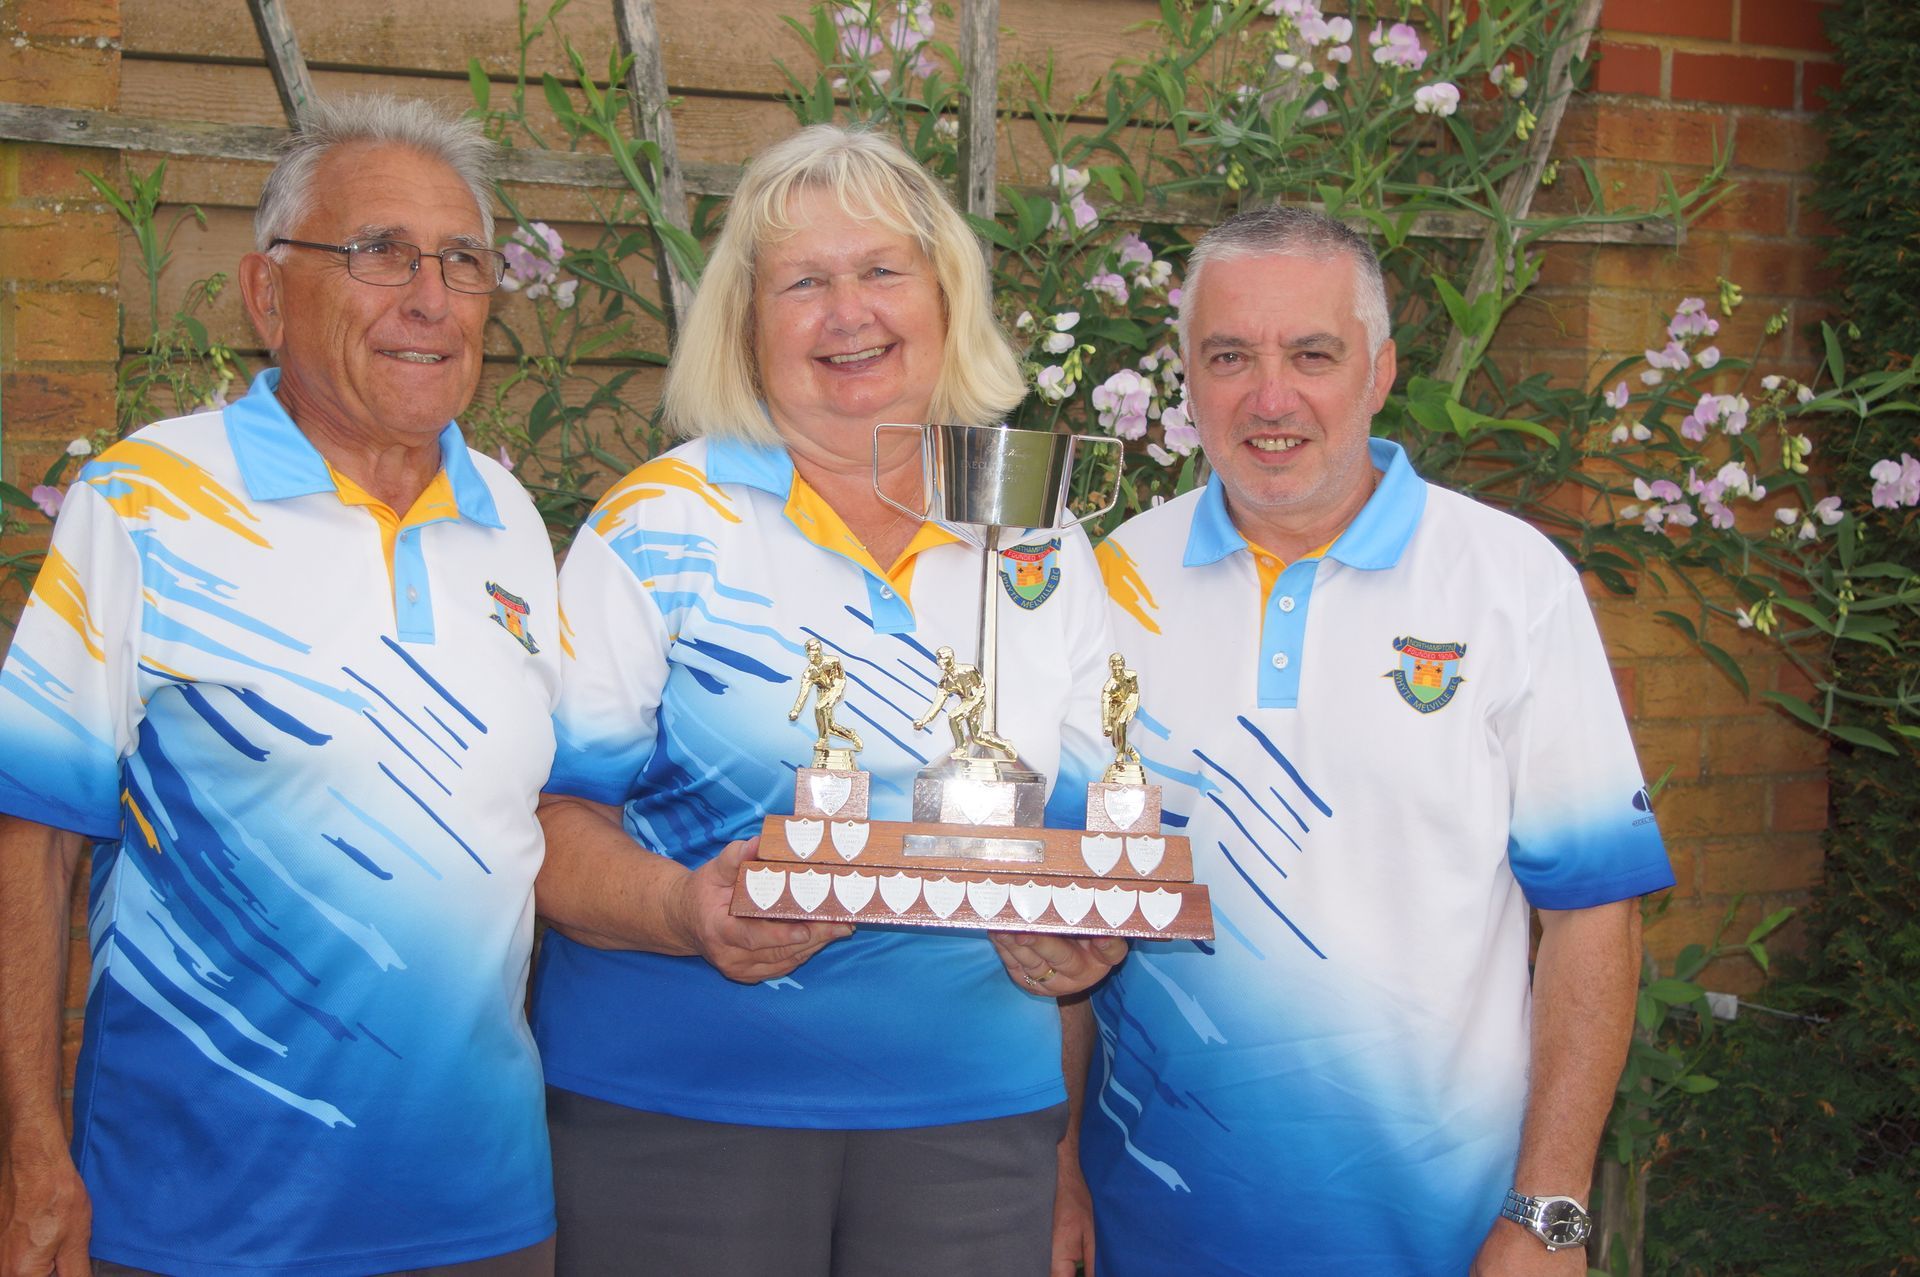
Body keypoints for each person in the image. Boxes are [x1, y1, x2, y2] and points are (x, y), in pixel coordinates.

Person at [530, 124, 1126, 1277]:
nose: (848, 312)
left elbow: (1090, 839)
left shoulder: (1040, 532)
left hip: (972, 1128)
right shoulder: (657, 524)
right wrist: (680, 905)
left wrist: (1081, 932)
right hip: (676, 1120)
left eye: (881, 271)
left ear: (947, 297)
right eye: (804, 282)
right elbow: (545, 826)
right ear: (748, 327)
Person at [0, 96, 560, 1276]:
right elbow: (31, 837)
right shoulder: (145, 499)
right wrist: (30, 1152)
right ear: (267, 294)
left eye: (462, 260)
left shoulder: (511, 521)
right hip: (198, 1223)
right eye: (378, 253)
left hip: (485, 1217)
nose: (430, 295)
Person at [1063, 205, 1677, 1276]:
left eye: (1312, 354)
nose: (1270, 397)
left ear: (1381, 371)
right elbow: (1065, 905)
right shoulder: (1109, 581)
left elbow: (1593, 917)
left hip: (1445, 1234)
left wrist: (1550, 1214)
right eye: (1229, 356)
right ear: (1186, 377)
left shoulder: (1508, 582)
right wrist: (1056, 1165)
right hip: (1150, 1229)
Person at [788, 635, 864, 764]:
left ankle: (822, 739)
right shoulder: (809, 674)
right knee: (829, 727)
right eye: (810, 653)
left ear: (820, 651)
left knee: (819, 707)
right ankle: (852, 735)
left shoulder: (833, 661)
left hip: (836, 685)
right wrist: (796, 710)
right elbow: (803, 693)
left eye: (815, 652)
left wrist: (837, 689)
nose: (813, 656)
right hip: (822, 693)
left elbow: (841, 677)